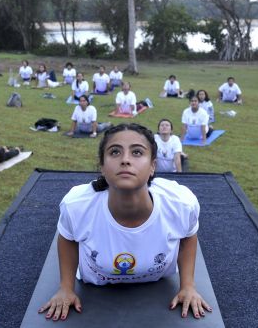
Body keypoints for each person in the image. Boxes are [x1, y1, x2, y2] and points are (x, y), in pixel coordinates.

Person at [39, 123, 211, 321]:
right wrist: (66, 288)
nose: (125, 160)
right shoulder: (77, 206)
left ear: (153, 166)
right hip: (94, 283)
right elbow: (68, 238)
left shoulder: (181, 204)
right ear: (102, 167)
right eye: (115, 152)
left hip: (158, 280)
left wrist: (188, 286)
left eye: (137, 152)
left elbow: (188, 236)